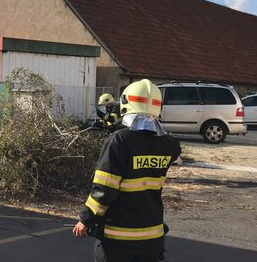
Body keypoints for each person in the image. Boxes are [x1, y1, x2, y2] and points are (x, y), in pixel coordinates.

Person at [73, 79, 181, 262]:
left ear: (126, 103)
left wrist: (86, 218)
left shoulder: (119, 142)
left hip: (118, 239)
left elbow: (104, 189)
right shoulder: (169, 145)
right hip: (152, 237)